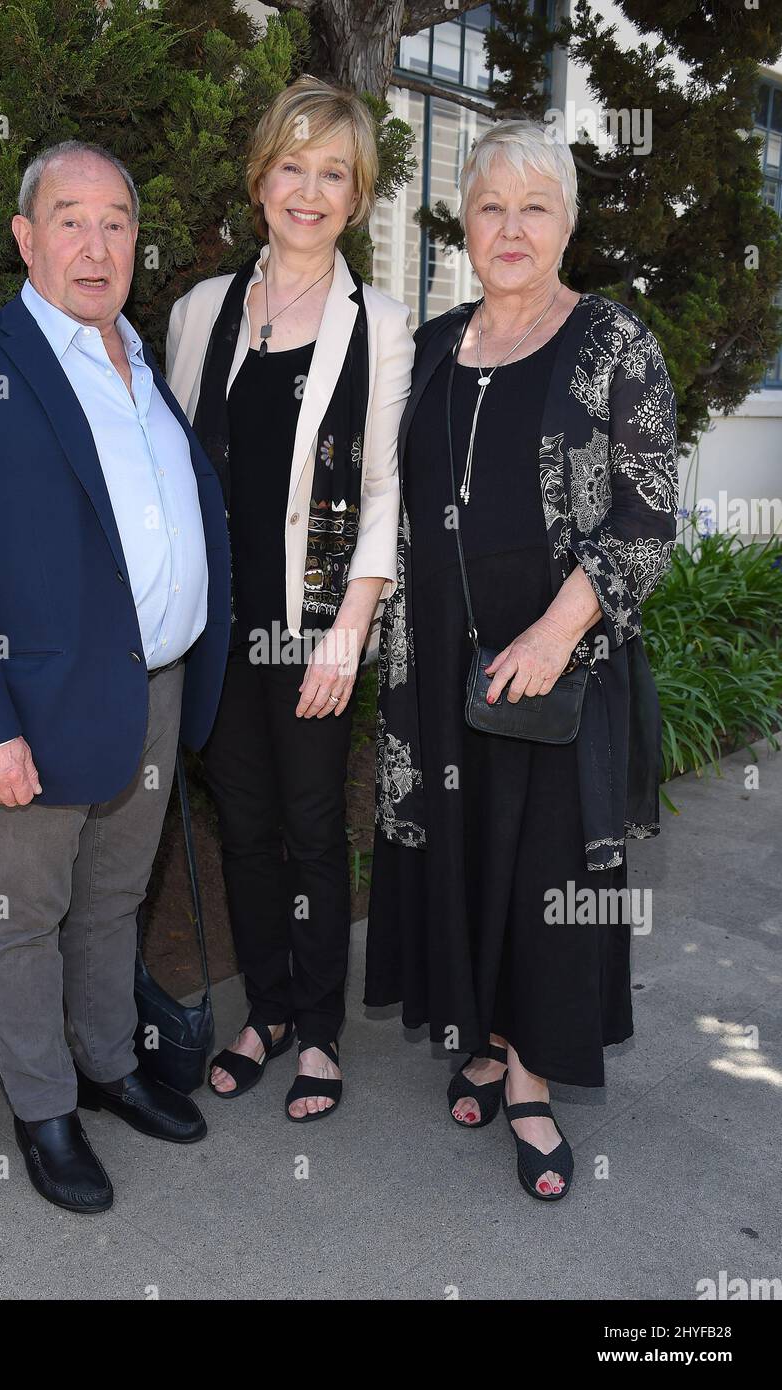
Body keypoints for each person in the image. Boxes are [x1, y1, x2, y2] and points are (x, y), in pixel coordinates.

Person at [0, 140, 230, 1212]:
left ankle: (108, 1064)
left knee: (113, 899)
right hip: (34, 707)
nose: (95, 244)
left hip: (156, 684)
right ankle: (42, 1109)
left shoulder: (143, 363)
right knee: (24, 910)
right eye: (70, 218)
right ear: (25, 237)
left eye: (116, 221)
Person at [366, 120, 678, 1199]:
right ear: (463, 218)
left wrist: (555, 630)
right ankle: (485, 1035)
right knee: (462, 846)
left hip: (557, 663)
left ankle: (533, 1078)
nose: (508, 227)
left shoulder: (609, 342)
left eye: (532, 207)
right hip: (439, 658)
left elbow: (646, 516)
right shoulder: (437, 344)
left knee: (545, 871)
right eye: (489, 205)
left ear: (566, 222)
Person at [167, 76, 413, 1121]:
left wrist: (348, 630)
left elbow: (386, 488)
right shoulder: (198, 311)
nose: (306, 191)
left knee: (314, 826)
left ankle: (318, 1030)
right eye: (291, 166)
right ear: (260, 176)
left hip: (314, 625)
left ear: (354, 199)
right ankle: (262, 1010)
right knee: (247, 823)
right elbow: (172, 470)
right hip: (220, 629)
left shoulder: (383, 324)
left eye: (332, 174)